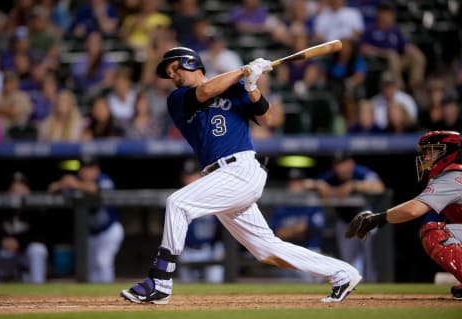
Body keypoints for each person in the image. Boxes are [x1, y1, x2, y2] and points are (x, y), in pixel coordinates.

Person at [120, 46, 361, 305]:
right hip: (220, 177)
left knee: (177, 203)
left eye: (174, 68)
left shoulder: (235, 88)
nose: (172, 75)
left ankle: (160, 282)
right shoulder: (178, 98)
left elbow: (267, 118)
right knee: (267, 250)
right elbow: (206, 91)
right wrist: (243, 71)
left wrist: (252, 85)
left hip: (241, 169)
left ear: (190, 63)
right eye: (168, 73)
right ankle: (342, 273)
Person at [345, 130, 462, 300]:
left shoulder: (452, 176)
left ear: (448, 152)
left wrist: (377, 219)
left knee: (433, 232)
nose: (427, 157)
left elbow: (413, 209)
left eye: (432, 151)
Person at [302, 151, 385, 282]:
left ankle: (373, 289)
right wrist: (318, 185)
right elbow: (305, 183)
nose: (339, 168)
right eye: (336, 164)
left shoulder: (360, 172)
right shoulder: (331, 177)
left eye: (342, 164)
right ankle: (355, 290)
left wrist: (353, 185)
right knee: (349, 262)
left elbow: (379, 187)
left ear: (350, 163)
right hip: (345, 223)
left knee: (370, 261)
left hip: (366, 221)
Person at [47, 156, 124, 283]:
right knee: (90, 270)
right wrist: (62, 183)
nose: (85, 172)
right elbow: (51, 189)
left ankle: (109, 296)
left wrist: (74, 185)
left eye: (89, 168)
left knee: (103, 261)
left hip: (109, 230)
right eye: (83, 168)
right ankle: (94, 300)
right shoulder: (75, 181)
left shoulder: (104, 179)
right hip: (89, 234)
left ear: (96, 170)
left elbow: (95, 189)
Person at [0, 171, 48, 284]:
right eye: (13, 189)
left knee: (38, 250)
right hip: (2, 253)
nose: (17, 193)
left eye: (20, 189)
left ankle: (37, 287)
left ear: (28, 191)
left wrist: (20, 242)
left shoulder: (36, 211)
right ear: (7, 191)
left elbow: (42, 236)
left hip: (23, 253)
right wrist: (1, 241)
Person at [269, 168, 325, 282]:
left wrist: (289, 232)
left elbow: (312, 231)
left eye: (298, 181)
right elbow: (275, 234)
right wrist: (297, 230)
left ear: (304, 184)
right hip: (287, 252)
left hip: (309, 251)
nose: (294, 185)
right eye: (291, 181)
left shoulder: (312, 203)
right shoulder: (281, 206)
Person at [176, 158, 225, 284]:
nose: (189, 180)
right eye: (186, 176)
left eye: (193, 175)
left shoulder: (215, 197)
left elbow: (225, 227)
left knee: (215, 281)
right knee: (186, 288)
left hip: (210, 249)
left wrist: (223, 247)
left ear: (202, 175)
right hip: (186, 250)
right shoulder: (176, 200)